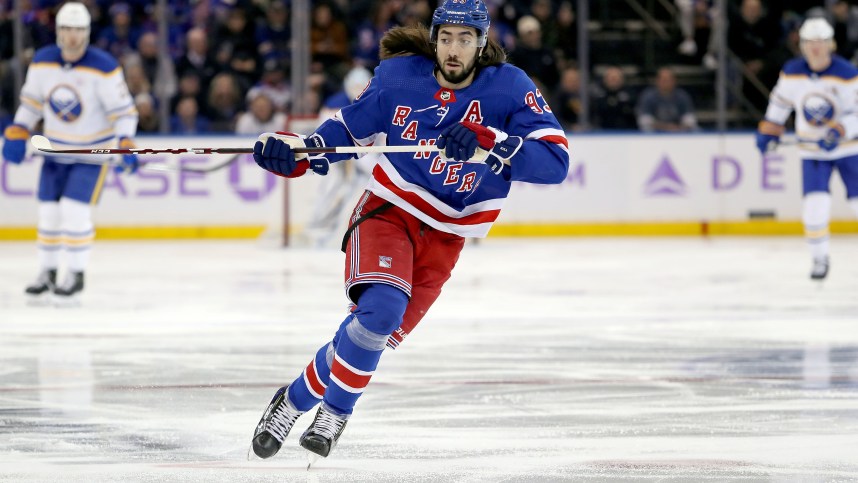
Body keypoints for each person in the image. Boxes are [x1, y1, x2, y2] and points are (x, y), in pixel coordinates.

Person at [248, 0, 570, 461]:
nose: (453, 49)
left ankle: (292, 400)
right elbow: (342, 135)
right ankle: (335, 414)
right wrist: (296, 152)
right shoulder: (400, 77)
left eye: (464, 39)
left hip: (447, 234)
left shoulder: (510, 88)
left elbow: (555, 164)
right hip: (390, 209)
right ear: (435, 40)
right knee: (381, 310)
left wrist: (490, 141)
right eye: (445, 38)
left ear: (481, 44)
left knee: (368, 334)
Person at [1, 2, 138, 300]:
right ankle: (47, 272)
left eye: (77, 30)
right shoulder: (43, 61)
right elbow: (31, 104)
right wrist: (18, 130)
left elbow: (125, 112)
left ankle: (75, 274)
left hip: (91, 156)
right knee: (49, 215)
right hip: (54, 154)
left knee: (74, 213)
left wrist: (125, 141)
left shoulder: (103, 66)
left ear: (87, 32)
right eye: (66, 29)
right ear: (58, 30)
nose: (72, 36)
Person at [755, 17, 858, 280]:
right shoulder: (792, 71)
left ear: (831, 44)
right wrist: (769, 129)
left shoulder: (847, 73)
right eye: (810, 42)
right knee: (815, 206)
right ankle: (819, 259)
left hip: (848, 151)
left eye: (821, 41)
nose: (816, 47)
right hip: (813, 153)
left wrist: (839, 130)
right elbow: (780, 104)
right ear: (801, 44)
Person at [303, 65, 374, 248]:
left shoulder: (373, 102)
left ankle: (345, 230)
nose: (357, 91)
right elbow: (326, 137)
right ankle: (317, 228)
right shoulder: (334, 104)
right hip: (338, 159)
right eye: (354, 87)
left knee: (357, 192)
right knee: (332, 187)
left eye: (362, 86)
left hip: (362, 159)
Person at [635, 67, 698, 133]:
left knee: (695, 130)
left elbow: (690, 120)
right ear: (657, 81)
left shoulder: (682, 96)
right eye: (664, 80)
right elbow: (644, 121)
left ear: (674, 81)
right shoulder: (648, 96)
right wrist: (667, 127)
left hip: (678, 132)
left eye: (669, 80)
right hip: (655, 133)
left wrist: (678, 128)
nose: (666, 83)